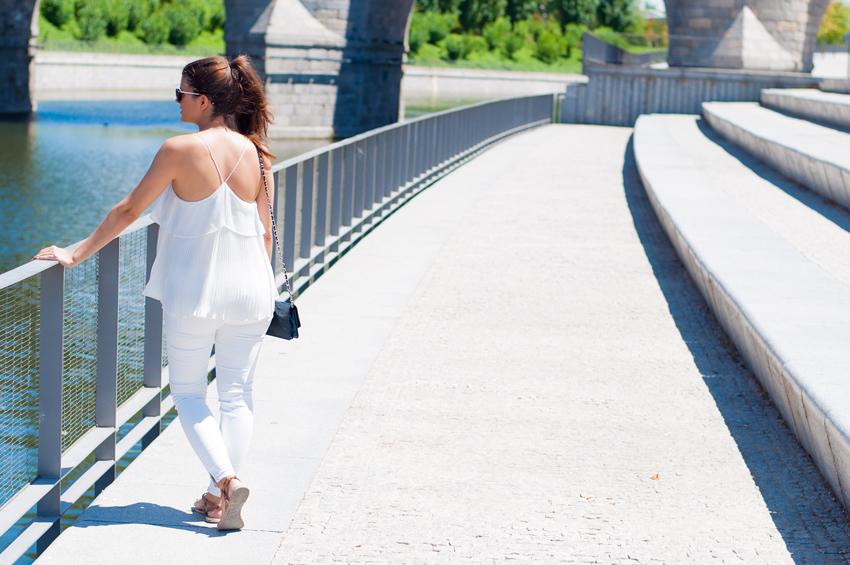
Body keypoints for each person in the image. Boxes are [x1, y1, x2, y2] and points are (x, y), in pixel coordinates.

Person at [33, 54, 279, 531]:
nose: (176, 101)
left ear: (203, 101)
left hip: (195, 293)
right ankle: (216, 498)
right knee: (237, 394)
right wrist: (257, 288)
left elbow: (128, 210)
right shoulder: (259, 155)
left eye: (181, 93)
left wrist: (76, 253)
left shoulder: (178, 149)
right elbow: (267, 234)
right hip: (253, 291)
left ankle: (226, 481)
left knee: (188, 392)